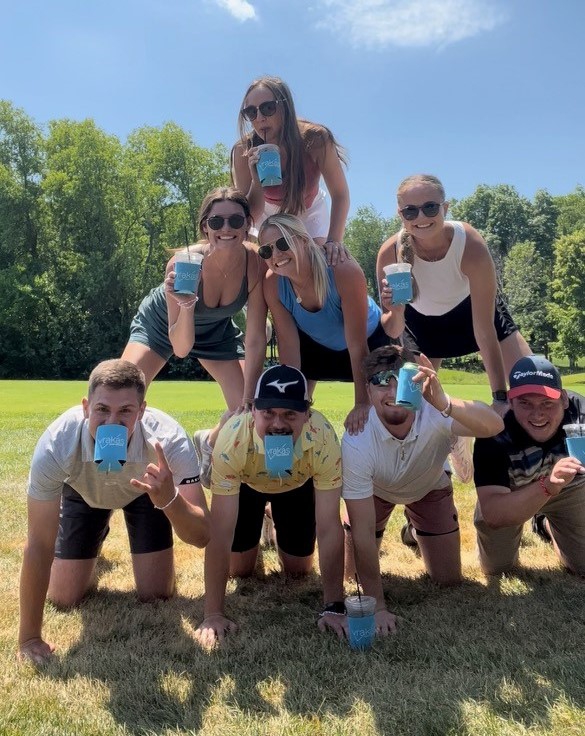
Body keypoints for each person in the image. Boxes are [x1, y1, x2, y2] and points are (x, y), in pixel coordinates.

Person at [18, 359, 210, 664]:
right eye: (102, 409)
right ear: (85, 407)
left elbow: (201, 536)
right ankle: (96, 539)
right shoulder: (57, 444)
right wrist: (29, 638)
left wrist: (169, 498)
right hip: (85, 493)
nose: (112, 422)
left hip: (149, 492)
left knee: (157, 595)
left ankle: (104, 539)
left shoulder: (169, 440)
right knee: (64, 597)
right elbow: (39, 544)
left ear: (142, 411)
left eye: (125, 411)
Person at [342, 346, 504, 632]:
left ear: (418, 383)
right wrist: (377, 607)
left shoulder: (436, 411)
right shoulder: (357, 438)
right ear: (367, 391)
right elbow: (363, 532)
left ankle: (413, 530)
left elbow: (494, 425)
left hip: (429, 487)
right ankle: (410, 526)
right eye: (381, 381)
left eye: (402, 380)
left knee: (448, 580)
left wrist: (446, 403)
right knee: (352, 578)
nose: (392, 392)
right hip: (376, 491)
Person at [194, 364, 346, 647]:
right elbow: (221, 531)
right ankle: (208, 440)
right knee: (240, 571)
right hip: (246, 484)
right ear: (253, 411)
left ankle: (272, 518)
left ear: (307, 414)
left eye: (290, 413)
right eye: (269, 413)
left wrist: (334, 606)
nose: (278, 423)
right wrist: (212, 613)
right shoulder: (233, 439)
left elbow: (329, 526)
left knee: (299, 572)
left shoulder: (323, 436)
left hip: (297, 484)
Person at [377, 173, 532, 412]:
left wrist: (500, 398)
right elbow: (393, 330)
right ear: (401, 215)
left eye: (430, 208)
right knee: (410, 409)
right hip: (420, 325)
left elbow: (484, 328)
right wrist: (396, 312)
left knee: (531, 387)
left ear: (445, 208)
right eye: (410, 211)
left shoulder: (469, 243)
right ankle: (455, 441)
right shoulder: (389, 254)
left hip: (472, 313)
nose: (421, 218)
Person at [122, 187, 268, 411]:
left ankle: (209, 441)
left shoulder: (256, 263)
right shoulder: (182, 264)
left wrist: (249, 396)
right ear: (205, 227)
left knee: (248, 409)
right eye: (217, 222)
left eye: (236, 221)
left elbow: (256, 337)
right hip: (162, 326)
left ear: (248, 224)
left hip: (216, 332)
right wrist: (187, 304)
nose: (226, 229)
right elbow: (181, 348)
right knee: (123, 390)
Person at [260, 213, 389, 435]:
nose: (276, 254)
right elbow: (289, 346)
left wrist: (362, 404)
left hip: (370, 343)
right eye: (266, 250)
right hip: (319, 346)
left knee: (388, 409)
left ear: (303, 240)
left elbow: (357, 345)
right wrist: (290, 406)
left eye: (283, 243)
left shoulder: (343, 270)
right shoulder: (272, 283)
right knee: (298, 407)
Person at [473, 355, 585, 577]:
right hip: (511, 493)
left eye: (547, 403)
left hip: (569, 488)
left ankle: (542, 523)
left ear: (563, 399)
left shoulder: (582, 415)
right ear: (511, 403)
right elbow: (494, 513)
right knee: (497, 568)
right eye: (525, 403)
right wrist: (548, 485)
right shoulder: (493, 431)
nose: (537, 414)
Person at [232, 76, 350, 250]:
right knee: (267, 264)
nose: (259, 118)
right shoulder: (243, 151)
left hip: (309, 209)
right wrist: (256, 179)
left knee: (320, 261)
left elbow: (340, 195)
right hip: (266, 212)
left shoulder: (316, 140)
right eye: (251, 112)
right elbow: (245, 214)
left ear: (285, 107)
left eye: (268, 108)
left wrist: (334, 242)